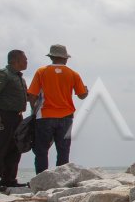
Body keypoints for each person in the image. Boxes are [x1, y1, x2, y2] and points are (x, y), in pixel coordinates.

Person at [26, 44, 89, 174]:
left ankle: (41, 178)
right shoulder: (73, 74)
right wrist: (86, 91)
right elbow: (82, 95)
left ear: (51, 57)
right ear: (65, 59)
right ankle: (61, 178)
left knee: (42, 150)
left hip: (45, 115)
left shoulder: (41, 72)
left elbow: (32, 95)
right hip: (66, 116)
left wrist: (34, 111)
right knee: (63, 150)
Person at [0, 49, 29, 191]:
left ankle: (8, 179)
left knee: (15, 149)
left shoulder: (20, 78)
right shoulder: (2, 74)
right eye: (25, 59)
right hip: (3, 115)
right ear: (15, 60)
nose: (27, 61)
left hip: (17, 117)